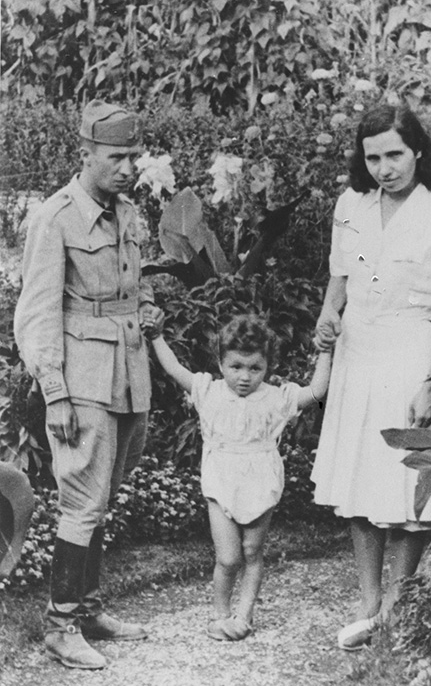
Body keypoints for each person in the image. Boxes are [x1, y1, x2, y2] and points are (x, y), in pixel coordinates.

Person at [311, 104, 431, 650]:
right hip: (358, 354)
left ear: (418, 152)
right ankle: (368, 603)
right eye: (374, 157)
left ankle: (396, 604)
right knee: (358, 482)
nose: (384, 168)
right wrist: (327, 315)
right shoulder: (351, 206)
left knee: (408, 484)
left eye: (395, 155)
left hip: (413, 356)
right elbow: (340, 275)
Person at [14, 100, 165, 670]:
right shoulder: (57, 218)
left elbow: (139, 283)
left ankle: (88, 607)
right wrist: (55, 393)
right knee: (81, 500)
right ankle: (60, 625)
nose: (128, 167)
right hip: (80, 380)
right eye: (116, 157)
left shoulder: (127, 213)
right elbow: (36, 314)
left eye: (134, 156)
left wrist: (149, 310)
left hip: (128, 373)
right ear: (86, 154)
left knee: (101, 497)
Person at [146, 313, 332, 640]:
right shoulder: (208, 390)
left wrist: (327, 350)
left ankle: (244, 615)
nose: (244, 376)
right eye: (236, 367)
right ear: (221, 364)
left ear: (266, 367)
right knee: (228, 556)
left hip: (261, 480)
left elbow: (317, 390)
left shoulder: (277, 398)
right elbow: (175, 370)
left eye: (254, 368)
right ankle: (220, 615)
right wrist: (157, 336)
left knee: (252, 551)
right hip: (220, 480)